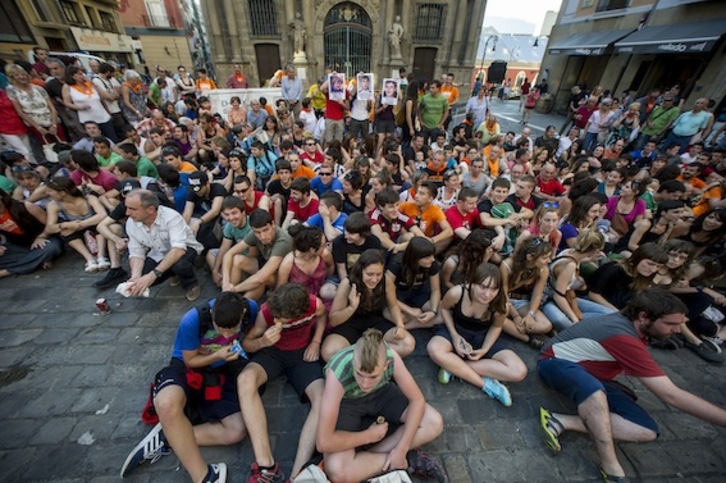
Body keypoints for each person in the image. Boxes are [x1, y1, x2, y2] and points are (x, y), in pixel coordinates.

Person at [537, 288, 726, 482]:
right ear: (644, 317)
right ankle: (611, 468)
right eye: (671, 324)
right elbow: (671, 396)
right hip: (555, 363)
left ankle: (560, 420)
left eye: (679, 324)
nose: (677, 330)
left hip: (592, 375)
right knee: (594, 393)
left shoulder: (633, 325)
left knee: (647, 431)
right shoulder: (623, 336)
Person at [119, 292, 257, 482]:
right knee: (166, 404)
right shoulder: (192, 320)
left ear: (242, 315)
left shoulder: (250, 308)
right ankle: (205, 476)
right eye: (220, 329)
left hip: (222, 372)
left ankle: (168, 435)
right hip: (188, 366)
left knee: (236, 431)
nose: (225, 335)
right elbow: (190, 360)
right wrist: (217, 355)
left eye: (232, 330)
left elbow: (251, 334)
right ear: (212, 313)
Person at [317, 328, 447, 482]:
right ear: (353, 362)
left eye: (373, 376)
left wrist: (402, 448)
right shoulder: (338, 372)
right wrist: (368, 436)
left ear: (385, 366)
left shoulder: (392, 357)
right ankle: (409, 460)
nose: (365, 383)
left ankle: (373, 458)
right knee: (338, 473)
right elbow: (323, 442)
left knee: (434, 422)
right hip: (348, 402)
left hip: (381, 394)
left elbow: (417, 400)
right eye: (359, 374)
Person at [238, 283, 327, 482]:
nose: (276, 319)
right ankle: (266, 465)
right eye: (275, 316)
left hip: (302, 355)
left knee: (322, 398)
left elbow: (322, 316)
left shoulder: (313, 305)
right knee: (245, 379)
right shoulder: (268, 313)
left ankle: (297, 475)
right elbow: (247, 344)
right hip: (272, 354)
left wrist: (316, 341)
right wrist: (263, 342)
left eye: (281, 318)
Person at [428, 263, 527, 406]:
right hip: (457, 330)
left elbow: (496, 326)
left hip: (482, 336)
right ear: (472, 283)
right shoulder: (457, 293)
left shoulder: (500, 304)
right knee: (434, 349)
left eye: (494, 289)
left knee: (519, 371)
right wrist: (455, 335)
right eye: (483, 287)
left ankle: (453, 367)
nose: (487, 294)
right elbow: (444, 309)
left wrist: (485, 349)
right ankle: (485, 384)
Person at [323, 249, 415, 361]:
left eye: (379, 274)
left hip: (376, 321)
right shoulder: (347, 284)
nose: (374, 279)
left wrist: (400, 325)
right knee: (329, 352)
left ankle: (363, 358)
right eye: (369, 274)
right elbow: (333, 320)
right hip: (350, 323)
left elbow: (394, 306)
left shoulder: (386, 281)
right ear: (361, 270)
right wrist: (352, 307)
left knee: (408, 344)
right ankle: (371, 359)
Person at [124, 189, 203, 301]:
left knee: (179, 264)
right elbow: (136, 252)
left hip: (186, 249)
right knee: (139, 278)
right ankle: (171, 273)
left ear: (150, 209)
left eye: (132, 209)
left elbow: (178, 250)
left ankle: (191, 283)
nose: (127, 213)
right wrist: (136, 276)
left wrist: (152, 275)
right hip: (159, 253)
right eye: (127, 207)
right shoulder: (131, 222)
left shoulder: (171, 217)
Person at [222, 209, 292, 300]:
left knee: (260, 279)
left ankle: (243, 305)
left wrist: (234, 289)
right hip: (265, 265)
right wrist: (226, 283)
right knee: (237, 259)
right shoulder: (254, 234)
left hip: (281, 277)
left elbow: (261, 277)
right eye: (258, 232)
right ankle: (228, 298)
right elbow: (229, 254)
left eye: (265, 230)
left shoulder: (283, 241)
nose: (262, 236)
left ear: (273, 224)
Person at [45, 177, 109, 273]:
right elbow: (49, 228)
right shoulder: (53, 205)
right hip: (76, 230)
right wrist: (66, 225)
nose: (47, 193)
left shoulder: (88, 198)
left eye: (50, 191)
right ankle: (89, 258)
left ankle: (101, 256)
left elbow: (102, 214)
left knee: (100, 225)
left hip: (92, 225)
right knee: (65, 231)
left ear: (62, 193)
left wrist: (80, 224)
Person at [500, 237, 554, 348]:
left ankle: (515, 328)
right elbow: (503, 292)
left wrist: (530, 314)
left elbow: (537, 294)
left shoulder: (543, 269)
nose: (549, 261)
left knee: (546, 325)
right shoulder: (507, 265)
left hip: (521, 300)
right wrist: (515, 316)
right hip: (504, 299)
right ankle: (528, 338)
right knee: (498, 319)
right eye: (544, 258)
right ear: (530, 257)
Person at [0, 189, 63, 278]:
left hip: (45, 238)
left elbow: (50, 226)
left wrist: (41, 237)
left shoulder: (25, 206)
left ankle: (6, 272)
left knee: (50, 248)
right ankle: (39, 261)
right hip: (20, 245)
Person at [588, 243, 668, 311]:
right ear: (638, 258)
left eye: (658, 267)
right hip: (598, 305)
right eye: (650, 264)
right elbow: (593, 294)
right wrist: (616, 312)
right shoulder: (612, 269)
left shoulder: (644, 276)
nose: (653, 270)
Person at [386, 237, 442, 330]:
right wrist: (410, 310)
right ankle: (417, 320)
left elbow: (435, 290)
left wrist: (433, 311)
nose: (432, 259)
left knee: (443, 311)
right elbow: (386, 292)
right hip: (398, 295)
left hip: (419, 293)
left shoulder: (432, 264)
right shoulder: (397, 263)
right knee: (393, 314)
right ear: (415, 258)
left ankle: (407, 327)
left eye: (433, 255)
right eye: (427, 257)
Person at [419, 80, 449, 145]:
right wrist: (420, 121)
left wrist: (441, 124)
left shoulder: (443, 99)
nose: (431, 90)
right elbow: (419, 109)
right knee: (423, 144)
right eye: (430, 88)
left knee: (434, 144)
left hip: (436, 126)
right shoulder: (425, 98)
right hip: (425, 125)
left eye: (433, 88)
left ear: (438, 88)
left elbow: (446, 112)